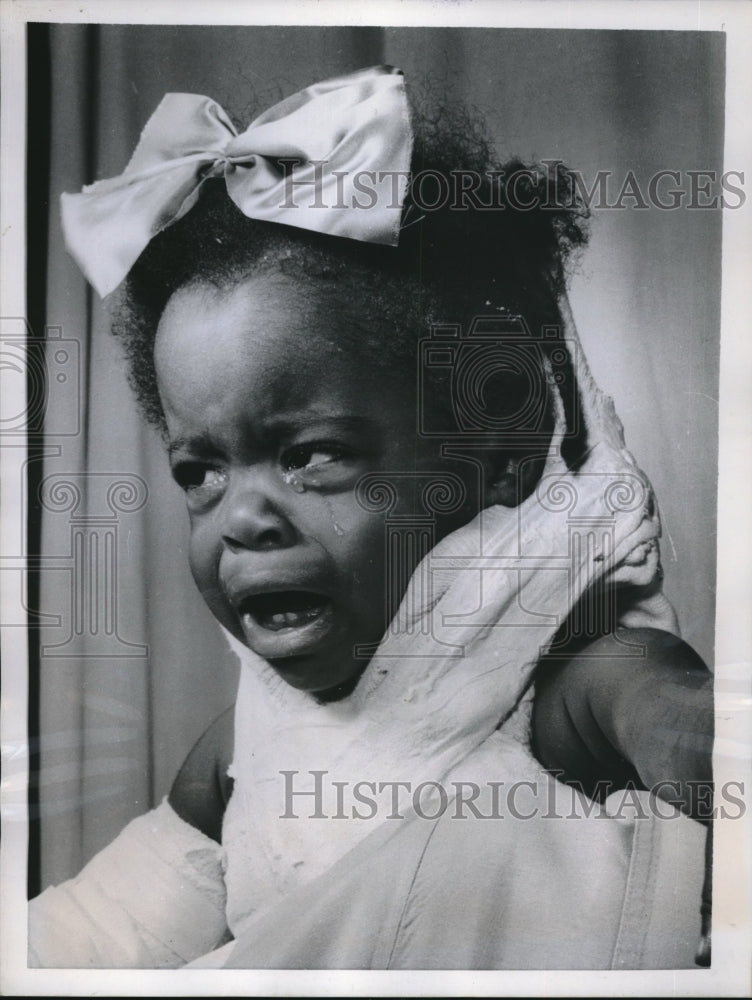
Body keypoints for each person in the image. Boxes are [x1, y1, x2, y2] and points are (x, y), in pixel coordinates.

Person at [30, 66, 713, 970]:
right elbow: (107, 929)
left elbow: (689, 732)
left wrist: (683, 733)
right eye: (201, 470)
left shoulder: (561, 666)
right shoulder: (245, 740)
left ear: (495, 449)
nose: (244, 519)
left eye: (311, 454)